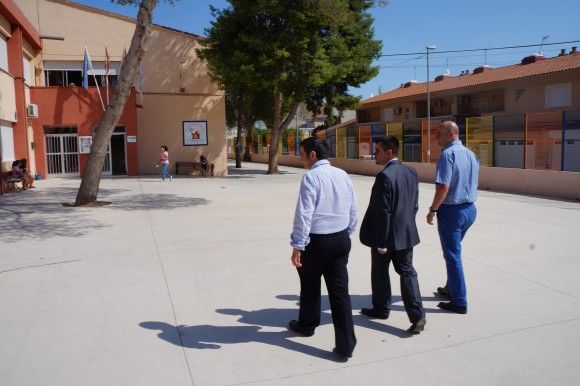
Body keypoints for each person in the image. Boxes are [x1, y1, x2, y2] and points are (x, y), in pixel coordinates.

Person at [288, 137, 358, 360]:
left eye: (302, 154)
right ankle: (346, 344)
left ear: (313, 155)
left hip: (317, 242)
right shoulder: (343, 174)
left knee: (309, 285)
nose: (301, 159)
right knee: (340, 293)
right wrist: (347, 232)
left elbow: (304, 214)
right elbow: (353, 208)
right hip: (340, 239)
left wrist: (297, 245)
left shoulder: (311, 177)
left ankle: (308, 324)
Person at [359, 136, 426, 334]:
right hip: (406, 233)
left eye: (378, 150)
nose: (374, 154)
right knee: (407, 272)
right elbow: (414, 204)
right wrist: (406, 225)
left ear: (389, 152)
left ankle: (381, 308)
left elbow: (383, 212)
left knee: (380, 272)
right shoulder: (411, 172)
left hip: (386, 236)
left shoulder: (384, 176)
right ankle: (418, 315)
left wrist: (381, 242)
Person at [427, 121, 479, 314]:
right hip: (470, 210)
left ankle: (459, 301)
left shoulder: (447, 155)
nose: (435, 137)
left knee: (452, 255)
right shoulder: (471, 154)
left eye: (438, 133)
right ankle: (450, 289)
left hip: (452, 212)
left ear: (450, 134)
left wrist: (433, 209)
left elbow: (443, 186)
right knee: (454, 251)